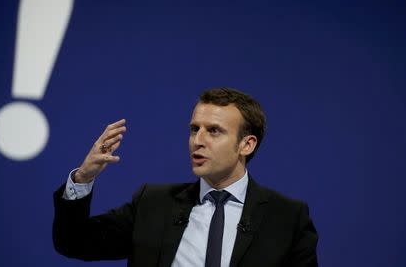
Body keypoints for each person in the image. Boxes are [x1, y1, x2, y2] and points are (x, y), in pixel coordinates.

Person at [53, 87, 319, 267]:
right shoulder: (153, 204)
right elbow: (74, 242)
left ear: (246, 145)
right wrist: (83, 177)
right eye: (194, 129)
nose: (197, 141)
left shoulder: (286, 218)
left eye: (214, 131)